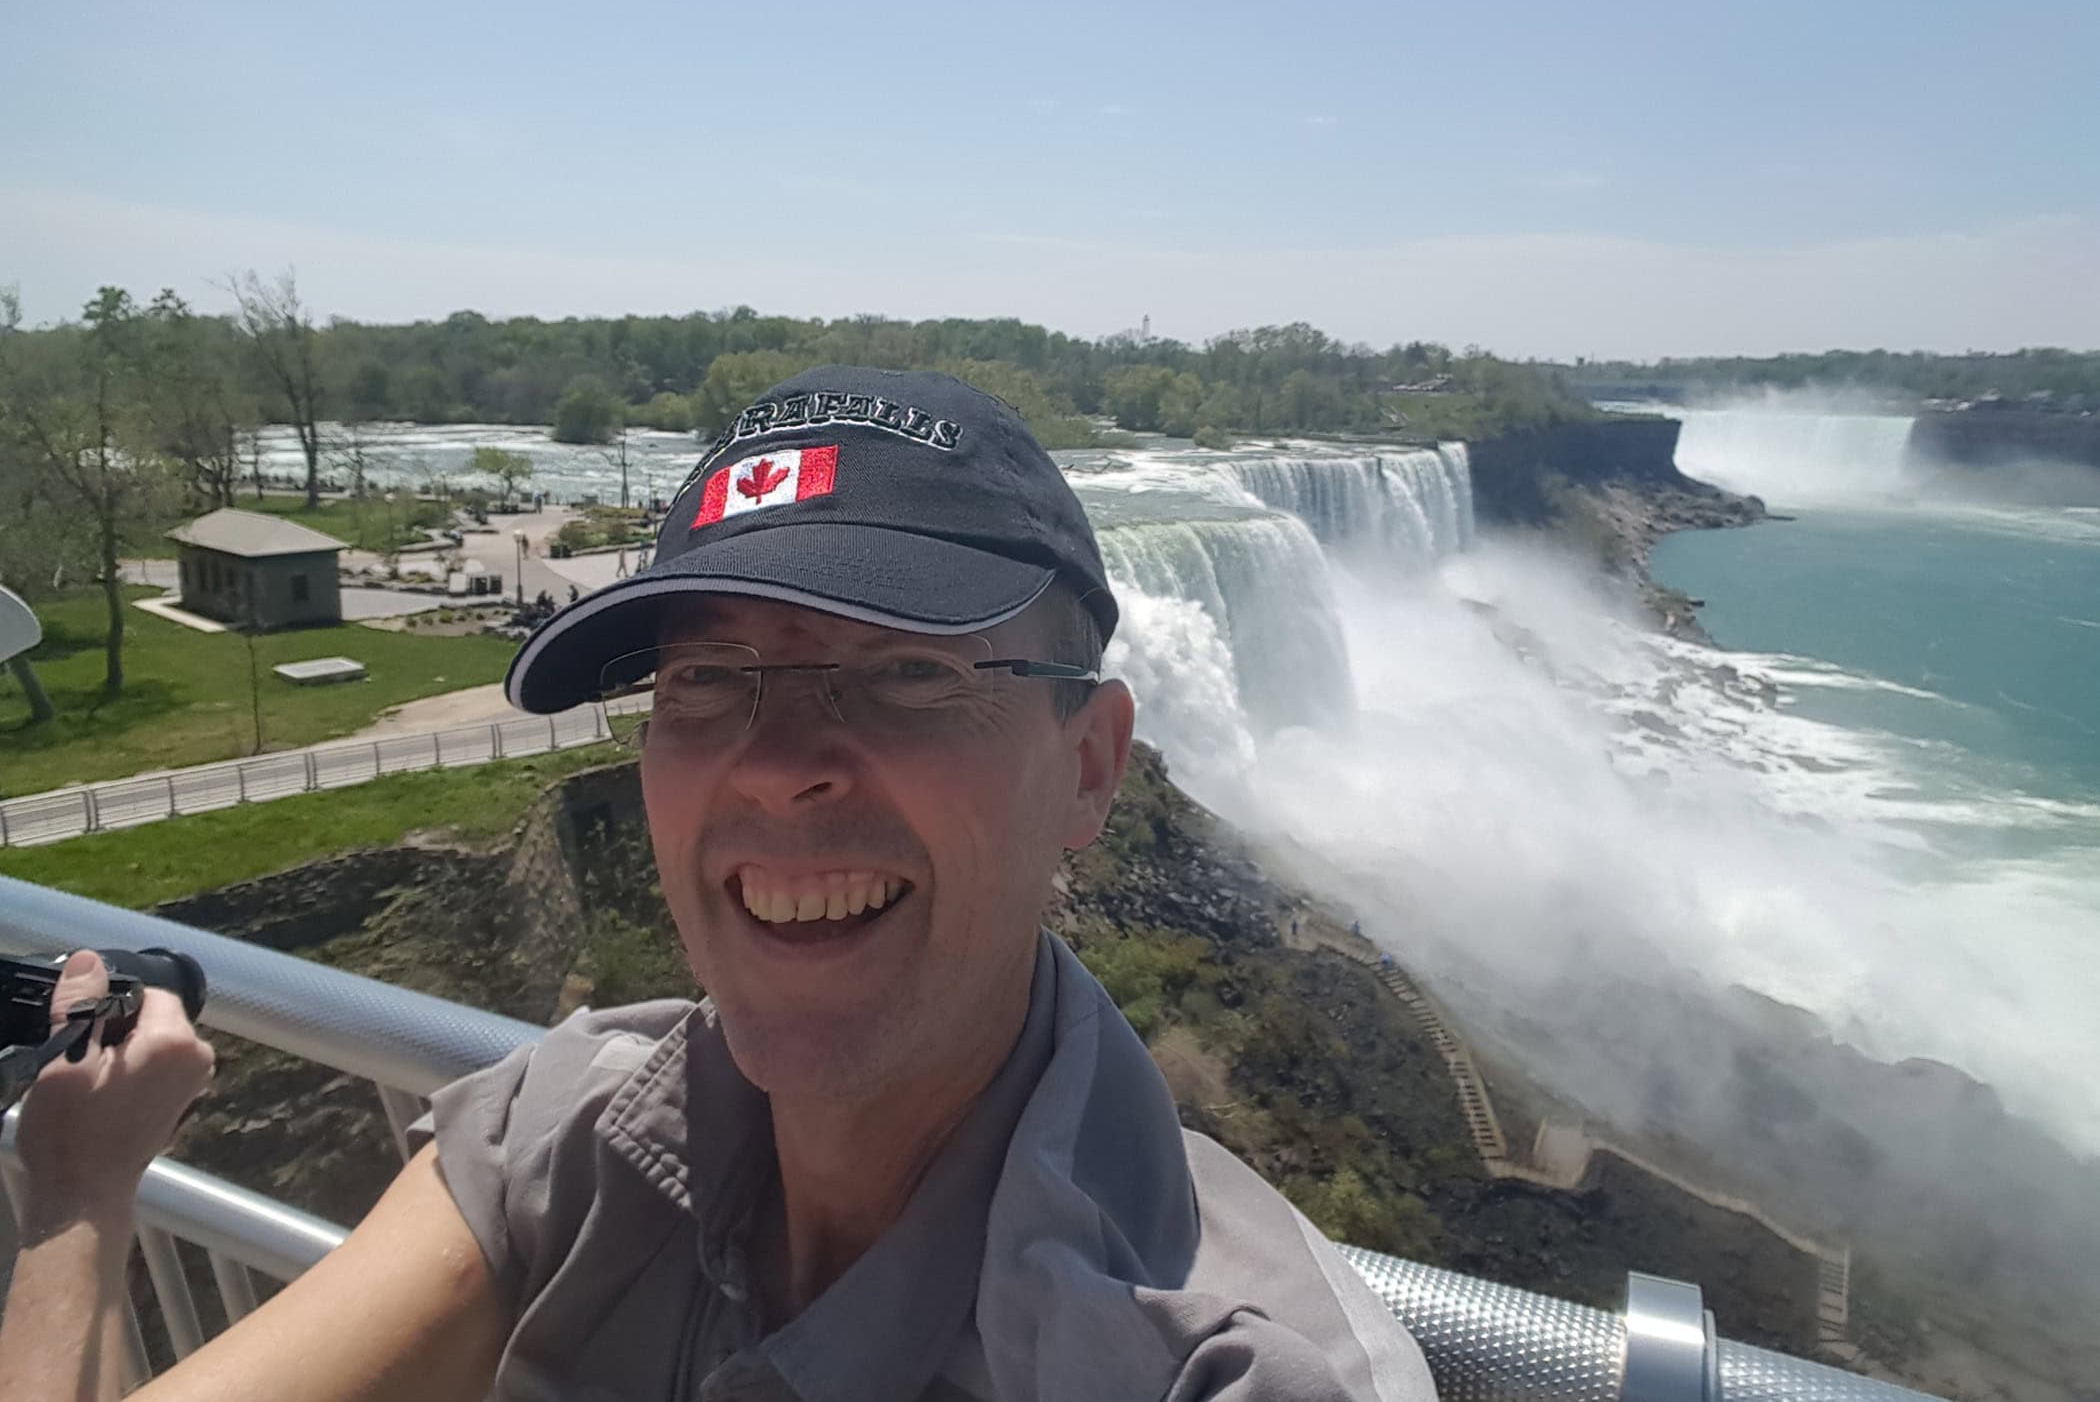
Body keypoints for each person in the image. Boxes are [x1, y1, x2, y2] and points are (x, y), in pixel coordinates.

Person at [1, 367, 1437, 1401]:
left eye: (907, 673)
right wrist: (74, 1195)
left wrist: (72, 1220)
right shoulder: (572, 1141)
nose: (777, 765)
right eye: (704, 679)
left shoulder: (1223, 1366)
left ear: (1089, 767)